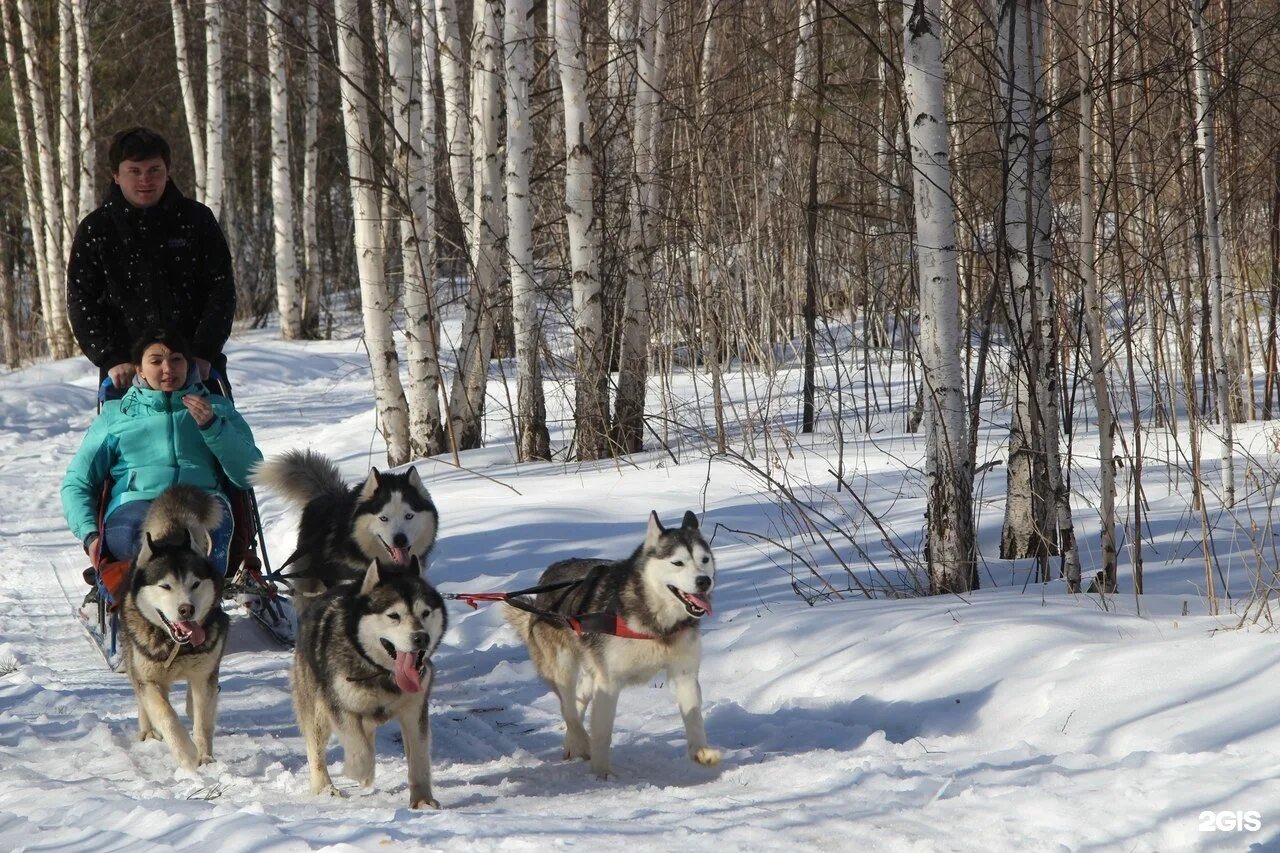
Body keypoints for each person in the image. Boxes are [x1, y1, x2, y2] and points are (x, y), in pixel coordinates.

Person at [61, 328, 262, 575]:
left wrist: (212, 427)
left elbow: (249, 474)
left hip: (201, 500)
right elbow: (77, 482)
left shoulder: (217, 409)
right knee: (147, 542)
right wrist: (90, 535)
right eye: (156, 361)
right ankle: (156, 602)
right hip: (134, 503)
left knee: (203, 539)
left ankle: (199, 599)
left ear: (188, 365)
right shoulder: (116, 415)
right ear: (139, 369)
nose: (168, 369)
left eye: (176, 359)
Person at [66, 127, 236, 395]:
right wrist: (110, 358)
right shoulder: (97, 230)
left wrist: (203, 352)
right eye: (134, 171)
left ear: (167, 172)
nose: (145, 179)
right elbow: (82, 302)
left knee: (216, 436)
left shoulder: (196, 220)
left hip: (194, 367)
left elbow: (221, 291)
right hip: (126, 372)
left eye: (154, 170)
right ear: (116, 176)